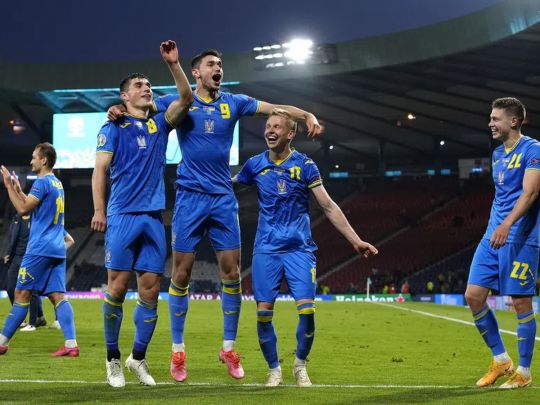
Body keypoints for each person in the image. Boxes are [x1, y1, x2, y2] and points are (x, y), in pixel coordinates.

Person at [109, 48, 323, 382]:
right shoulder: (177, 100)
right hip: (189, 197)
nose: (218, 68)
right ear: (196, 72)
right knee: (181, 274)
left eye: (220, 64)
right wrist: (116, 109)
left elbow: (275, 108)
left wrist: (307, 113)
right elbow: (138, 109)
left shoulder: (234, 102)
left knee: (232, 273)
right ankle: (178, 351)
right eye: (211, 64)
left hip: (223, 197)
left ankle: (229, 347)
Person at [233, 109, 377, 386]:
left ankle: (299, 365)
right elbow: (230, 186)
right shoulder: (254, 165)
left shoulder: (305, 165)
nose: (270, 130)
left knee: (307, 312)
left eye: (277, 126)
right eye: (268, 126)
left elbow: (328, 206)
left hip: (299, 249)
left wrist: (356, 240)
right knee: (263, 313)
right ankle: (274, 369)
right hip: (266, 249)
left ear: (291, 133)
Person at [91, 40, 192, 388]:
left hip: (153, 218)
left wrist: (173, 64)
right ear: (125, 97)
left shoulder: (160, 123)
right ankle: (112, 360)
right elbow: (99, 171)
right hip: (122, 216)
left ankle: (137, 357)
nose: (147, 88)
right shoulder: (112, 127)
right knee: (117, 288)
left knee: (150, 292)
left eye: (149, 85)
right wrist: (99, 209)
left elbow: (186, 98)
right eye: (139, 85)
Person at [465, 97, 540, 389]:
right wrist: (494, 227)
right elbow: (501, 196)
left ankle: (524, 372)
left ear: (514, 121)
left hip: (521, 235)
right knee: (473, 295)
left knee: (520, 302)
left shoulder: (533, 150)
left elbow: (530, 193)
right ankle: (500, 360)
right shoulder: (497, 153)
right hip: (493, 235)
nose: (490, 123)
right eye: (490, 118)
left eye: (496, 119)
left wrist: (507, 224)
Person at [0, 143, 78, 357]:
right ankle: (71, 344)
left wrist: (8, 186)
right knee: (58, 296)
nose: (31, 161)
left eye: (34, 157)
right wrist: (18, 190)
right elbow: (34, 205)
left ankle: (2, 342)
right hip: (57, 247)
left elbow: (23, 209)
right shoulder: (56, 183)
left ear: (44, 160)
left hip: (40, 247)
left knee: (21, 294)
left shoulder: (42, 182)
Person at [23, 231, 75, 332]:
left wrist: (58, 252)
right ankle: (43, 318)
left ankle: (57, 321)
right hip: (42, 262)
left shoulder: (54, 227)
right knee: (41, 292)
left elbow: (70, 241)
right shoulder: (46, 228)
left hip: (48, 263)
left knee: (54, 293)